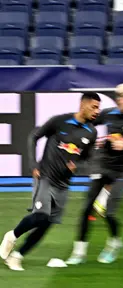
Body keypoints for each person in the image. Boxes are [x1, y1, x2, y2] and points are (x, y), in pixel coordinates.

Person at [0, 92, 100, 271]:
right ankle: (12, 235)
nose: (97, 111)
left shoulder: (91, 132)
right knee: (41, 215)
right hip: (45, 177)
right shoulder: (60, 121)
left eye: (98, 108)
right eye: (94, 107)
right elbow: (34, 137)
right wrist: (32, 164)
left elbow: (87, 158)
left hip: (63, 184)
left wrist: (76, 164)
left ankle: (17, 256)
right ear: (82, 105)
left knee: (46, 223)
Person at [66, 83, 123, 265]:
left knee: (109, 213)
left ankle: (114, 243)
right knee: (86, 208)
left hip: (121, 170)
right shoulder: (108, 114)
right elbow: (87, 126)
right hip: (102, 165)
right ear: (119, 100)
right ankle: (79, 252)